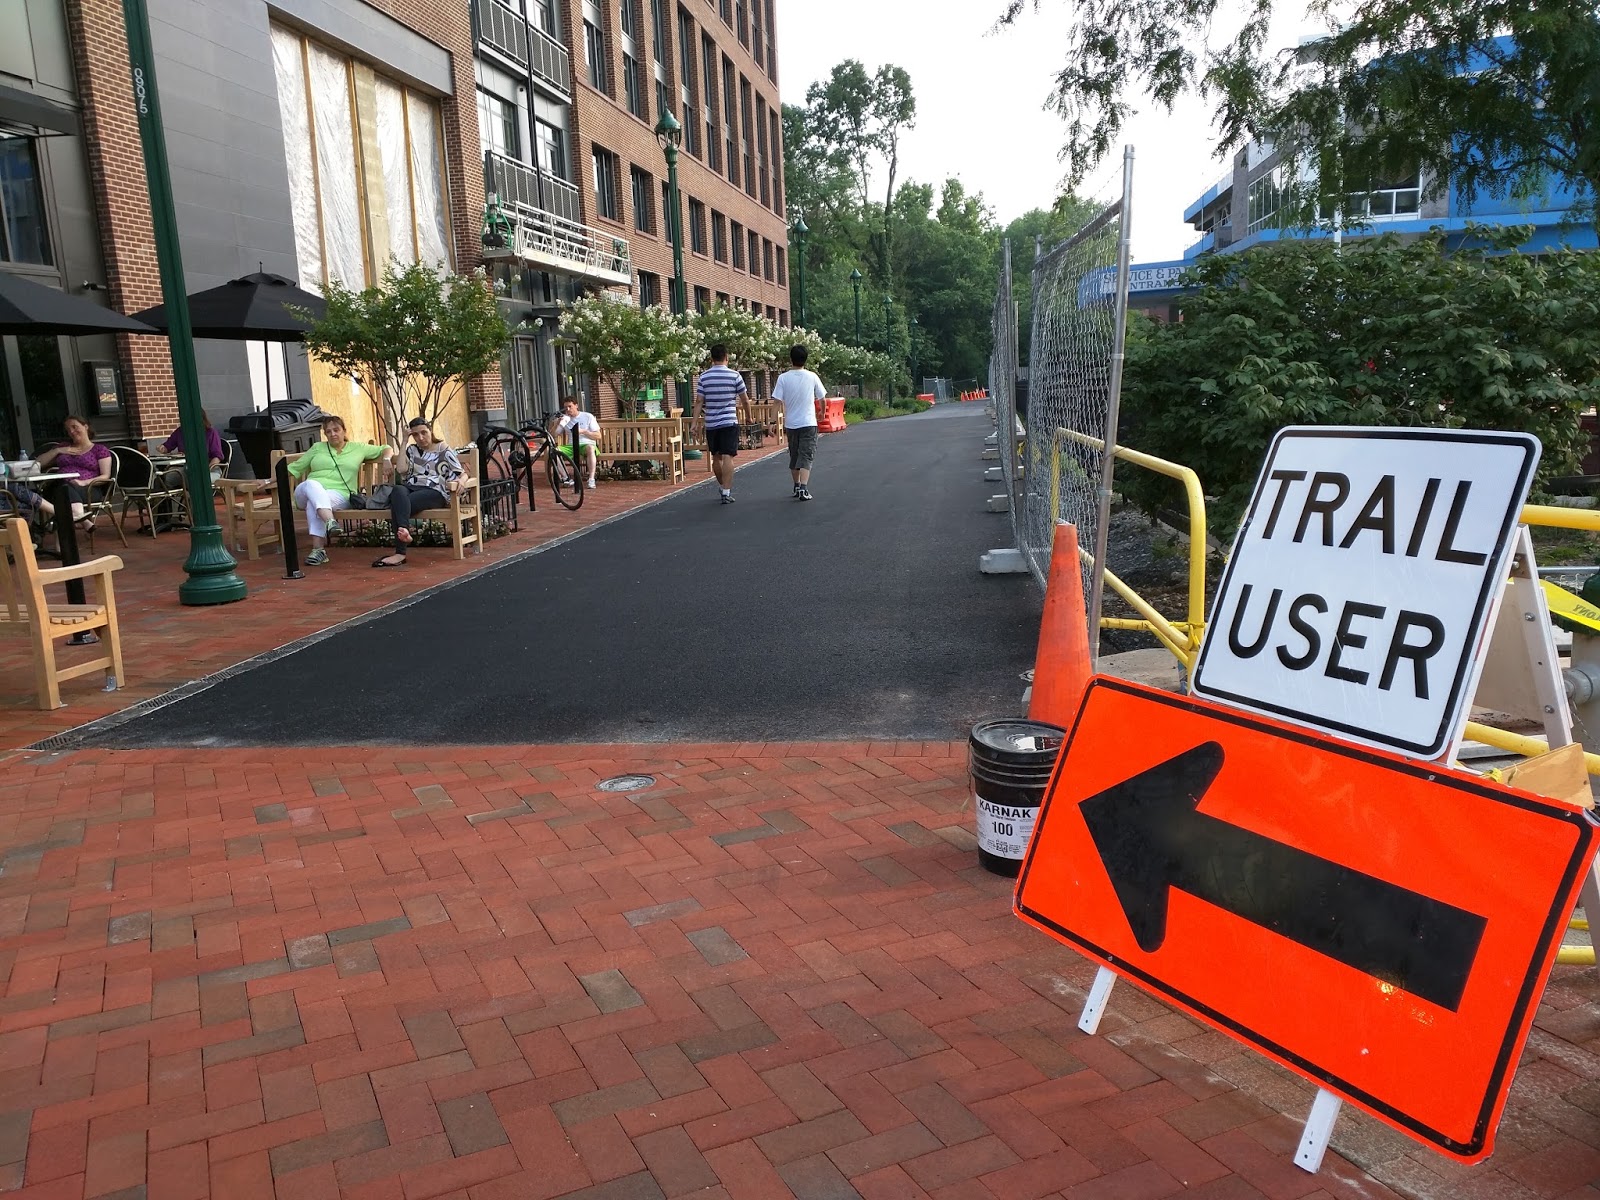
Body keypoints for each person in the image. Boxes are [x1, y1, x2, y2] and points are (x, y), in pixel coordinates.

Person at [287, 416, 393, 566]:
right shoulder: (318, 447)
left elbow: (385, 448)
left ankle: (318, 550)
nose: (333, 434)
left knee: (315, 503)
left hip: (339, 495)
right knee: (311, 485)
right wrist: (266, 482)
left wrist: (387, 460)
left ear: (344, 431)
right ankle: (330, 521)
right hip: (305, 493)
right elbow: (294, 468)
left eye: (336, 430)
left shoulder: (358, 448)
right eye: (328, 431)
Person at [373, 418, 466, 568]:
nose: (420, 438)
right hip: (412, 487)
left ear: (430, 430)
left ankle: (400, 553)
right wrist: (404, 441)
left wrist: (461, 482)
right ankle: (404, 532)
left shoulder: (443, 449)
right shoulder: (412, 450)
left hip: (434, 491)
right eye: (415, 435)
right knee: (397, 490)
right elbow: (401, 470)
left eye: (424, 432)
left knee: (399, 504)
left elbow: (462, 474)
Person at [695, 343, 751, 504]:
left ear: (711, 358)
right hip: (729, 421)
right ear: (726, 357)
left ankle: (722, 485)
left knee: (716, 457)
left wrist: (693, 423)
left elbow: (699, 401)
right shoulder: (735, 376)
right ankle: (726, 491)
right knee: (728, 456)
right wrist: (748, 416)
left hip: (712, 423)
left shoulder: (704, 377)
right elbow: (745, 400)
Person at [770, 344, 827, 501]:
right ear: (806, 359)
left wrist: (772, 421)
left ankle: (796, 485)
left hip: (791, 424)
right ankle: (803, 488)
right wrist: (822, 412)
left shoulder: (783, 378)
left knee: (794, 455)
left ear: (791, 359)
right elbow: (822, 398)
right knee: (806, 455)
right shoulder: (812, 376)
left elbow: (776, 402)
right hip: (808, 422)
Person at [35, 417, 112, 531]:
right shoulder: (63, 447)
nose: (71, 431)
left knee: (63, 492)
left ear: (85, 426)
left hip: (88, 489)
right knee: (63, 488)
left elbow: (105, 476)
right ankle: (81, 518)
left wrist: (83, 482)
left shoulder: (99, 450)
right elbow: (38, 464)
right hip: (60, 486)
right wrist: (57, 451)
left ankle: (64, 532)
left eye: (74, 427)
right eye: (68, 429)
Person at [160, 410, 225, 479]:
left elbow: (217, 457)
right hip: (187, 468)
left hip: (210, 469)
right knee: (169, 477)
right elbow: (167, 446)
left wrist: (207, 471)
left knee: (196, 480)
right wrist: (162, 448)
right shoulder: (180, 431)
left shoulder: (211, 432)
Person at [552, 397, 600, 489]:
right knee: (554, 451)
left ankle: (591, 479)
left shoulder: (587, 416)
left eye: (570, 406)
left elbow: (598, 435)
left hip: (586, 444)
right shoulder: (565, 419)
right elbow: (554, 435)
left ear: (576, 406)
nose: (568, 410)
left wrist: (584, 431)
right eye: (566, 408)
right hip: (571, 446)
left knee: (590, 448)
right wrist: (557, 424)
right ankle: (566, 478)